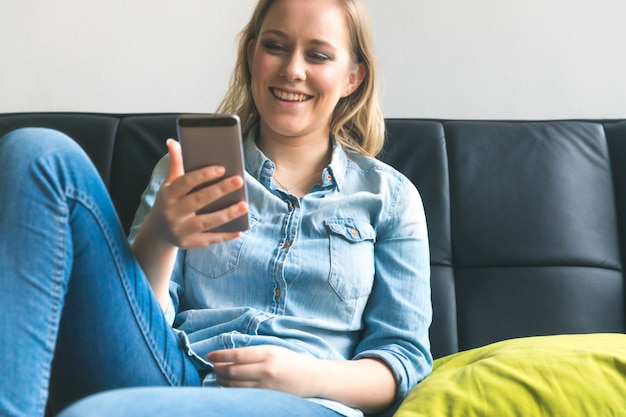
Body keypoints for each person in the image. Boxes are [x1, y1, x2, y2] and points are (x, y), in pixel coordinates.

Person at [0, 0, 432, 416]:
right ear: (251, 55)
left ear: (352, 77)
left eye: (318, 55)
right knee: (37, 151)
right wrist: (161, 236)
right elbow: (133, 326)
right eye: (275, 46)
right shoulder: (187, 171)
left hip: (307, 402)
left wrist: (308, 376)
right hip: (172, 374)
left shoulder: (390, 199)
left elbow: (403, 359)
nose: (292, 70)